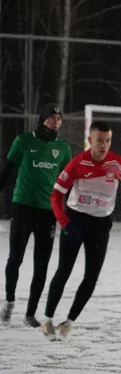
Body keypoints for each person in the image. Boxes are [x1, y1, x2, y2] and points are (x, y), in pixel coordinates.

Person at [42, 121, 121, 339]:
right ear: (90, 140)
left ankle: (69, 322)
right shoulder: (78, 163)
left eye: (108, 141)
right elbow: (56, 194)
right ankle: (47, 318)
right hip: (75, 221)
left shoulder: (117, 163)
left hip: (100, 225)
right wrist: (65, 223)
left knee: (91, 276)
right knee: (63, 272)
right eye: (99, 140)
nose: (104, 145)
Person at [0, 104, 72, 327]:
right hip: (23, 207)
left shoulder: (63, 148)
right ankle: (9, 302)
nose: (57, 121)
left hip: (48, 212)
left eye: (59, 118)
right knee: (15, 259)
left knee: (42, 264)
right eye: (52, 117)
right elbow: (7, 171)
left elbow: (67, 181)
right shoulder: (23, 141)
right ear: (42, 120)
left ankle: (30, 314)